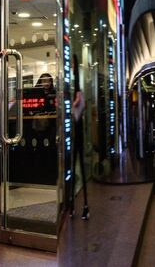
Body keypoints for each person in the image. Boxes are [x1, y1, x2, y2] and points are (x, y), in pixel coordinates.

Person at [70, 56, 89, 220]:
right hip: (73, 133)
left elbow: (80, 108)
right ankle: (74, 206)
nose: (71, 67)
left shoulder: (77, 91)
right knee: (72, 168)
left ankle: (84, 205)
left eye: (73, 64)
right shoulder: (71, 88)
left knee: (79, 167)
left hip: (77, 133)